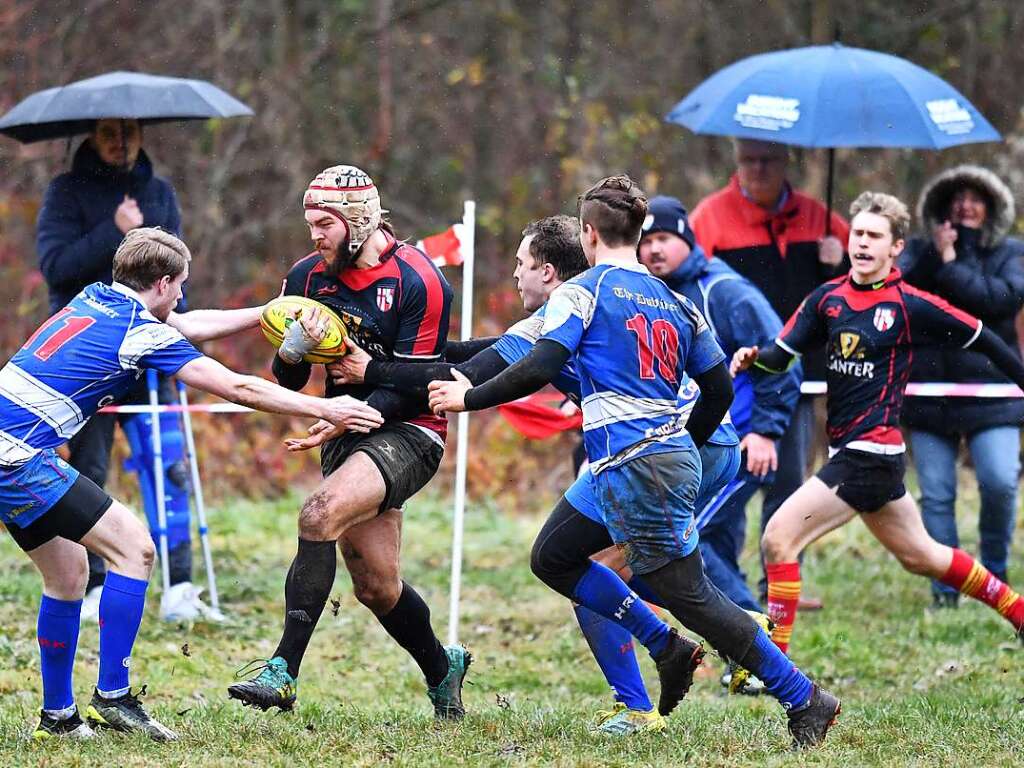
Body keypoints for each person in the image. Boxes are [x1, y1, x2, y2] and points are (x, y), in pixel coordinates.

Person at [429, 176, 840, 748]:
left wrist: (468, 398)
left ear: (589, 234)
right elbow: (718, 388)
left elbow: (538, 363)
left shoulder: (582, 292)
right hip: (650, 459)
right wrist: (684, 446)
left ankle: (802, 696)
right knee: (556, 555)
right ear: (641, 232)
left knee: (683, 592)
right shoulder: (676, 297)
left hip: (642, 462)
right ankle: (668, 650)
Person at [324, 215, 761, 734]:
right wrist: (385, 356)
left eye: (520, 263)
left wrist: (369, 371)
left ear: (548, 271)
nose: (512, 274)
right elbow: (472, 354)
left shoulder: (572, 308)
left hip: (688, 445)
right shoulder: (574, 305)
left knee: (593, 569)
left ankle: (654, 695)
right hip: (689, 443)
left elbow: (465, 376)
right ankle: (712, 636)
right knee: (603, 567)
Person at [1, 227, 384, 741]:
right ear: (161, 283)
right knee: (133, 550)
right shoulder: (140, 331)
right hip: (17, 457)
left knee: (68, 575)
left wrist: (269, 311)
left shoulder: (97, 298)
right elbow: (237, 385)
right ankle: (113, 698)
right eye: (180, 285)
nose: (181, 294)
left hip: (13, 445)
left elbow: (185, 323)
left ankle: (59, 718)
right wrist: (324, 406)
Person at [731, 192, 1024, 656]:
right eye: (858, 234)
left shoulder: (910, 304)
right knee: (922, 556)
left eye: (874, 236)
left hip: (870, 454)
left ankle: (774, 665)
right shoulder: (826, 300)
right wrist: (753, 359)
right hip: (860, 457)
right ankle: (1019, 611)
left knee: (778, 539)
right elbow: (779, 356)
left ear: (895, 248)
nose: (862, 243)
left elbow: (984, 338)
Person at [226, 166, 467, 720]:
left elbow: (417, 384)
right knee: (377, 587)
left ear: (358, 221)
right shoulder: (307, 277)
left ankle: (282, 671)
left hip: (410, 431)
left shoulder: (420, 281)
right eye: (310, 223)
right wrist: (291, 350)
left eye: (324, 224)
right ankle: (442, 667)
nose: (315, 236)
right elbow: (289, 379)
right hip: (344, 429)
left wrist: (349, 414)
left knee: (318, 514)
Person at [36, 118, 203, 621]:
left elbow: (174, 273)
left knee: (169, 467)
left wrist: (177, 314)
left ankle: (181, 585)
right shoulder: (66, 193)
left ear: (141, 134)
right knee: (89, 471)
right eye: (110, 132)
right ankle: (94, 584)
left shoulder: (159, 192)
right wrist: (115, 232)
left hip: (149, 353)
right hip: (91, 360)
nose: (120, 141)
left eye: (129, 131)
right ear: (92, 136)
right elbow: (56, 268)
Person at [690, 138, 851, 605]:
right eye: (749, 161)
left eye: (768, 161)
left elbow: (861, 282)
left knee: (787, 482)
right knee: (732, 483)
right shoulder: (711, 217)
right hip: (734, 379)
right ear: (736, 163)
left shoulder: (818, 218)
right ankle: (726, 581)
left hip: (797, 373)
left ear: (786, 164)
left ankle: (779, 582)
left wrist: (835, 259)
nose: (758, 170)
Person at [638, 195, 800, 616]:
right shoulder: (652, 293)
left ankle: (752, 635)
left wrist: (764, 430)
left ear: (688, 240)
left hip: (739, 441)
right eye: (646, 240)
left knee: (691, 535)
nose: (654, 249)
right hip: (693, 443)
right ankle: (747, 650)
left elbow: (782, 359)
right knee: (716, 539)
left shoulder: (724, 291)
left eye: (664, 238)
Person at [898, 166, 1024, 607]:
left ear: (991, 207)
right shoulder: (918, 252)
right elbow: (900, 296)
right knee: (936, 493)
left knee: (1000, 481)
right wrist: (935, 257)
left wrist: (953, 263)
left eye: (976, 198)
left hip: (995, 391)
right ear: (941, 207)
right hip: (929, 392)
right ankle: (946, 588)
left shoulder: (1011, 253)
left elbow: (996, 301)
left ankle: (994, 574)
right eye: (957, 197)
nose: (965, 205)